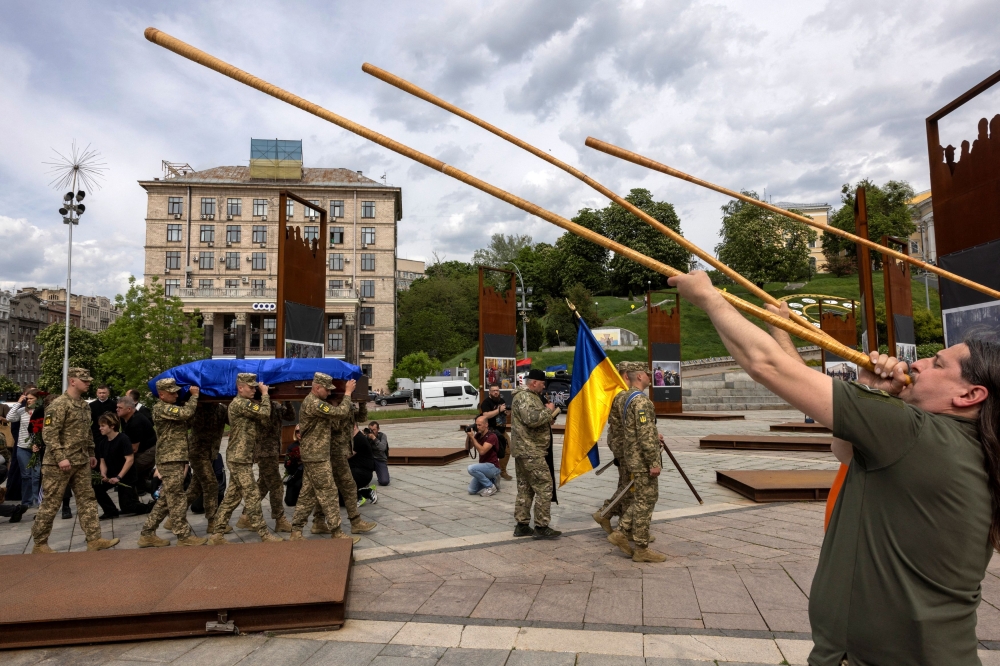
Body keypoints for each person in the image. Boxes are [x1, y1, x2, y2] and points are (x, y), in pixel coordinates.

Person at [670, 269, 1000, 665]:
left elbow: (767, 366)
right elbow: (843, 448)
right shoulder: (964, 445)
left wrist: (708, 297)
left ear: (970, 394)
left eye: (938, 364)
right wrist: (871, 391)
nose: (920, 363)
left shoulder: (914, 432)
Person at [31, 367, 120, 553]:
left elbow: (87, 431)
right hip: (58, 464)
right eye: (84, 380)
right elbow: (49, 434)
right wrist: (61, 457)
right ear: (72, 381)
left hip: (81, 461)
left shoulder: (84, 406)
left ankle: (94, 539)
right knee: (51, 503)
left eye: (88, 380)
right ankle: (40, 543)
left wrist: (91, 453)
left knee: (87, 499)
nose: (88, 383)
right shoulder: (58, 405)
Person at [208, 373, 283, 544]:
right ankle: (264, 534)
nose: (254, 390)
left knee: (232, 498)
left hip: (241, 457)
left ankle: (217, 534)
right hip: (239, 458)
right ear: (240, 388)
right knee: (253, 495)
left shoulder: (244, 403)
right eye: (251, 387)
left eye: (256, 387)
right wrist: (265, 394)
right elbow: (265, 413)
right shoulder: (241, 403)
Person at [607, 362, 667, 563]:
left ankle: (622, 531)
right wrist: (653, 462)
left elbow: (636, 429)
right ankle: (640, 547)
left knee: (642, 498)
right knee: (646, 500)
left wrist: (653, 434)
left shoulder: (627, 398)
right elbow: (644, 434)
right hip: (642, 459)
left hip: (632, 456)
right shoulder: (641, 401)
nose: (650, 376)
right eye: (647, 374)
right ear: (639, 376)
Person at [289, 372, 359, 543]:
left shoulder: (315, 402)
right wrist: (347, 393)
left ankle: (296, 532)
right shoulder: (315, 403)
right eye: (327, 390)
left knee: (307, 494)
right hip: (316, 456)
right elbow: (340, 413)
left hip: (315, 455)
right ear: (317, 387)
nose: (329, 393)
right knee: (329, 492)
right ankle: (337, 531)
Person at [137, 378, 207, 548]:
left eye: (177, 392)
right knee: (177, 498)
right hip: (169, 459)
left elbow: (187, 422)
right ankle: (183, 536)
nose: (176, 395)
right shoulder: (161, 408)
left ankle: (147, 534)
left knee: (166, 499)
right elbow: (185, 414)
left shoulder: (170, 408)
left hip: (175, 457)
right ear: (161, 395)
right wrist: (194, 397)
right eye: (172, 392)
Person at [510, 368, 561, 539]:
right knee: (545, 486)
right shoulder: (525, 397)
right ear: (534, 383)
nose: (544, 386)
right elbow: (531, 419)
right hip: (530, 450)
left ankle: (522, 525)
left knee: (526, 488)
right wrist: (548, 410)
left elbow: (534, 420)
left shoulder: (530, 397)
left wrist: (548, 417)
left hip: (526, 450)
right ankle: (541, 526)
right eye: (542, 383)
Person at [314, 400, 376, 536]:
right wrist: (345, 397)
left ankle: (354, 522)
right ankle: (306, 527)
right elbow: (336, 422)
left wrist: (362, 402)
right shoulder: (320, 404)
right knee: (319, 492)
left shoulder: (344, 406)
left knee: (348, 487)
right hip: (327, 454)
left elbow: (361, 417)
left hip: (338, 455)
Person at [237, 398, 294, 533]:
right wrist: (265, 398)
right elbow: (265, 420)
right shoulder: (256, 406)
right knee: (276, 485)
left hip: (272, 450)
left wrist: (287, 401)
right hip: (264, 451)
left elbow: (290, 416)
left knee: (263, 485)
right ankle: (280, 519)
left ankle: (246, 516)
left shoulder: (275, 405)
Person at [593, 362, 632, 534]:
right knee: (629, 486)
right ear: (626, 375)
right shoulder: (623, 395)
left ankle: (622, 521)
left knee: (626, 484)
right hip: (626, 447)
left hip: (620, 445)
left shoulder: (617, 394)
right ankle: (607, 514)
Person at [93, 412, 147, 518]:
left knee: (128, 507)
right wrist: (103, 474)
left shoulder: (123, 439)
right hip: (112, 474)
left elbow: (129, 460)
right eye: (100, 426)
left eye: (103, 426)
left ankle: (151, 507)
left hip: (126, 476)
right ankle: (110, 510)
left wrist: (119, 477)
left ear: (112, 426)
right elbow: (102, 461)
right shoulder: (103, 443)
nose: (100, 428)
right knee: (96, 487)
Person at [186, 401, 227, 525]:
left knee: (195, 489)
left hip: (211, 453)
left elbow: (234, 421)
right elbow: (190, 424)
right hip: (198, 453)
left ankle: (174, 517)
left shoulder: (221, 409)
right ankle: (212, 521)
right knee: (211, 484)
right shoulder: (198, 408)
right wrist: (197, 404)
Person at [8, 389, 41, 507]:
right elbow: (9, 417)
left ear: (37, 399)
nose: (28, 401)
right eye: (27, 399)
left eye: (31, 398)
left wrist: (39, 444)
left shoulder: (41, 411)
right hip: (23, 447)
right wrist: (18, 402)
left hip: (37, 447)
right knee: (26, 476)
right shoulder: (22, 411)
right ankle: (26, 502)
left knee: (36, 476)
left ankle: (37, 500)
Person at [117, 396, 157, 493]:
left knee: (129, 470)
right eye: (117, 407)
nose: (117, 409)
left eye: (120, 408)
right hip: (143, 449)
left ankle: (157, 489)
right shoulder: (126, 419)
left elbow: (133, 449)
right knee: (137, 478)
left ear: (129, 409)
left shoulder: (136, 422)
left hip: (150, 450)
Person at [479, 382, 512, 480]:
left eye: (497, 390)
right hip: (491, 431)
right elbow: (485, 415)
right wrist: (498, 410)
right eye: (493, 391)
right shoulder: (486, 403)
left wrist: (507, 412)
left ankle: (502, 471)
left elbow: (504, 413)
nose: (496, 392)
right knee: (490, 453)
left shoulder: (501, 400)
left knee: (507, 451)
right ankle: (488, 472)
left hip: (502, 431)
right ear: (489, 392)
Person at [465, 415, 501, 496]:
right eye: (476, 425)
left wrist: (473, 438)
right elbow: (468, 448)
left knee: (471, 468)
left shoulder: (492, 436)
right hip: (483, 467)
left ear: (486, 425)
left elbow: (482, 451)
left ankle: (490, 486)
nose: (477, 427)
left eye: (479, 425)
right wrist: (469, 436)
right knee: (471, 490)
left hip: (493, 466)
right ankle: (493, 480)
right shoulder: (478, 435)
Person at [350, 424, 377, 504]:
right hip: (356, 469)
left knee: (345, 497)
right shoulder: (354, 437)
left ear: (354, 426)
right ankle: (365, 492)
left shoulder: (358, 438)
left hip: (362, 473)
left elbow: (347, 455)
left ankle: (360, 496)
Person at [368, 421, 390, 486]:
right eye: (370, 430)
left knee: (384, 481)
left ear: (378, 429)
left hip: (380, 460)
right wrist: (363, 437)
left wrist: (374, 438)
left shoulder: (382, 436)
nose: (372, 432)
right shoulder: (366, 436)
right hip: (369, 460)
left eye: (374, 430)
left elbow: (383, 448)